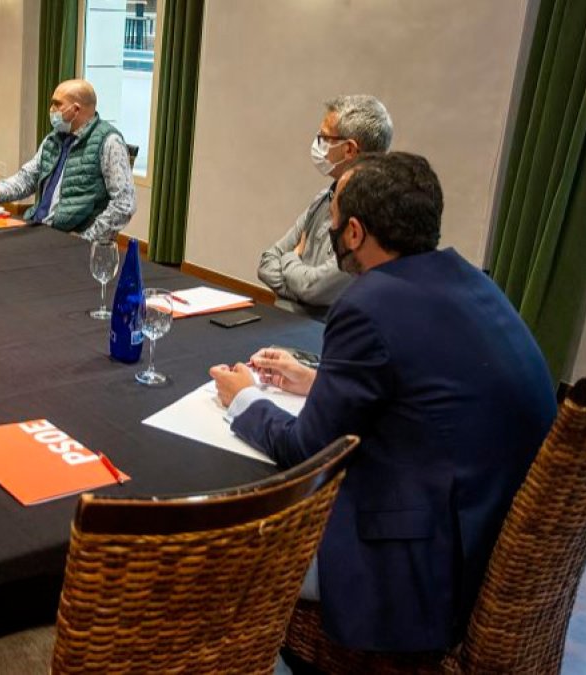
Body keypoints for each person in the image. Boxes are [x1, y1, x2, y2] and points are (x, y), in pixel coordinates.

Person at [209, 152, 555, 653]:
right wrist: (318, 381)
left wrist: (243, 399)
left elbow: (307, 451)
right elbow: (423, 389)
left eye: (332, 224)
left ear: (354, 232)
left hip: (416, 572)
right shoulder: (471, 280)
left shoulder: (369, 302)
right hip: (487, 539)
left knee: (227, 552)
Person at [257, 95, 393, 319]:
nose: (317, 145)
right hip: (282, 318)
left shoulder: (372, 220)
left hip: (320, 331)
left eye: (324, 138)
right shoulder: (324, 198)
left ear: (349, 149)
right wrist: (302, 288)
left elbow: (315, 289)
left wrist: (292, 258)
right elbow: (267, 262)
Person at [0, 79, 136, 242]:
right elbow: (27, 178)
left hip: (69, 238)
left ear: (76, 109)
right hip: (38, 226)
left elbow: (124, 204)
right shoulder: (54, 138)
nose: (52, 110)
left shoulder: (109, 142)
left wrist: (86, 240)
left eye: (57, 104)